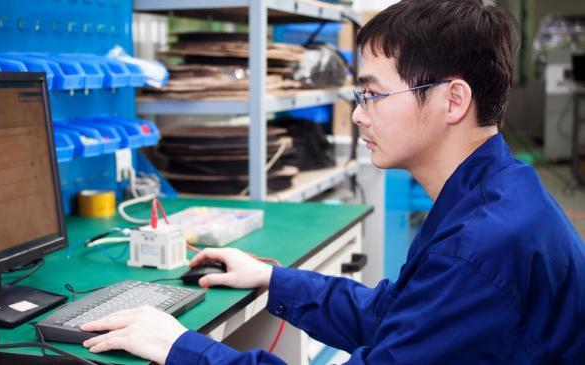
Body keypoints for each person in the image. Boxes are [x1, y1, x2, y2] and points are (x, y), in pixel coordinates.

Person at [80, 0, 585, 363]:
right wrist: (274, 279)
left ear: (453, 101)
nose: (359, 116)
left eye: (372, 95)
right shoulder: (493, 191)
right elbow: (399, 316)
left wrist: (180, 347)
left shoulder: (480, 244)